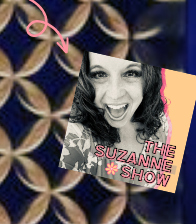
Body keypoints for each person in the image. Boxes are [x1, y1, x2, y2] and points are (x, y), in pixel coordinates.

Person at [60, 52, 170, 185]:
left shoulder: (163, 128)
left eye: (131, 73)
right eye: (99, 74)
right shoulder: (74, 138)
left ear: (149, 78)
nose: (115, 94)